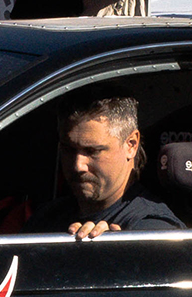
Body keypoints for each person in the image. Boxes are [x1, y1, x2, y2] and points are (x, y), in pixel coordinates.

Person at [24, 91, 183, 238]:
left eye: (93, 151)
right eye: (68, 149)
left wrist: (111, 256)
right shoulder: (46, 218)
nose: (78, 165)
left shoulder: (150, 230)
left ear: (131, 145)